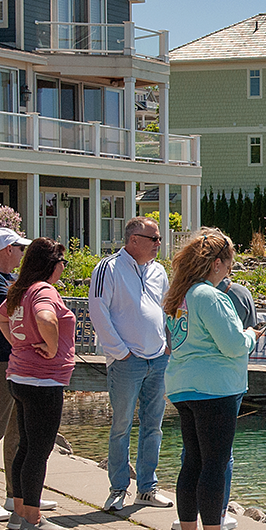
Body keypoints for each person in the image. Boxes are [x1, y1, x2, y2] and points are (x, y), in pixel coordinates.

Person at [164, 229, 258, 530]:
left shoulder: (180, 295)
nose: (231, 269)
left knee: (192, 461)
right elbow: (232, 345)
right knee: (215, 463)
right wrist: (250, 337)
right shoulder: (211, 296)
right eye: (230, 262)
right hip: (215, 387)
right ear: (218, 263)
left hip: (182, 385)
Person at [89, 217, 173, 511]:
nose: (159, 245)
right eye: (154, 239)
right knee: (121, 426)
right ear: (133, 240)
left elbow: (166, 308)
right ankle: (118, 489)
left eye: (159, 239)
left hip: (157, 359)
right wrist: (120, 352)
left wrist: (167, 344)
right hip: (127, 362)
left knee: (154, 426)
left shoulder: (158, 271)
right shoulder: (108, 268)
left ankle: (147, 488)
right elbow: (98, 311)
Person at [0, 227, 54, 521]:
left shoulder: (14, 280)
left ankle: (14, 495)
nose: (23, 254)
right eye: (20, 249)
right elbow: (17, 309)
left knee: (18, 434)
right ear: (8, 250)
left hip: (18, 364)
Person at [0, 238, 76, 530]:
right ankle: (33, 519)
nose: (63, 268)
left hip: (20, 377)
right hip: (43, 380)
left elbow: (1, 316)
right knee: (38, 451)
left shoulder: (20, 289)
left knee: (26, 447)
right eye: (62, 263)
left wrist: (18, 345)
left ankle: (18, 513)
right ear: (52, 265)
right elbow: (45, 316)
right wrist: (52, 346)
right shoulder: (44, 290)